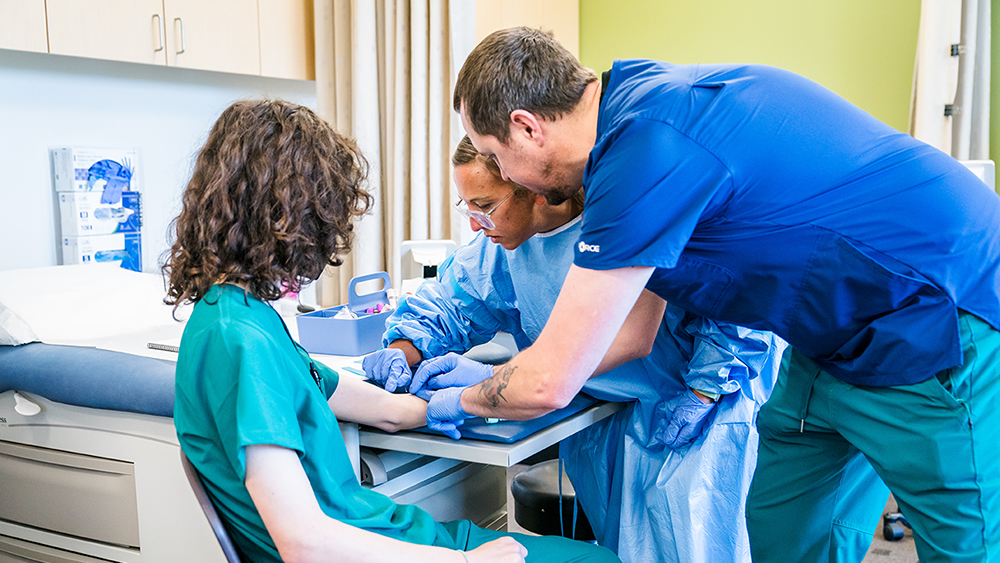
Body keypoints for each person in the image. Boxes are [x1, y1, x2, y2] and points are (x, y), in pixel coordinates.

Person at [437, 27, 1000, 563]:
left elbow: (551, 381)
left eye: (497, 155)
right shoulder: (628, 112)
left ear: (527, 126)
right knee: (782, 520)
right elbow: (633, 334)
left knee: (965, 543)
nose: (504, 172)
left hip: (936, 309)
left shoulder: (649, 149)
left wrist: (455, 399)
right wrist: (511, 374)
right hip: (831, 332)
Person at [163, 99, 620, 563]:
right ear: (292, 214)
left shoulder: (245, 319)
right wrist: (462, 562)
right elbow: (302, 543)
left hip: (393, 534)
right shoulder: (239, 340)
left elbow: (388, 412)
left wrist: (465, 394)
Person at [363, 135, 785, 563]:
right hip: (608, 416)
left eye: (485, 207)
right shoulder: (506, 249)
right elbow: (452, 302)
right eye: (466, 206)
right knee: (626, 551)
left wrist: (705, 390)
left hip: (698, 415)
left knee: (698, 548)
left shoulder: (624, 222)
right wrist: (404, 349)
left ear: (533, 187)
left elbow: (736, 304)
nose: (475, 223)